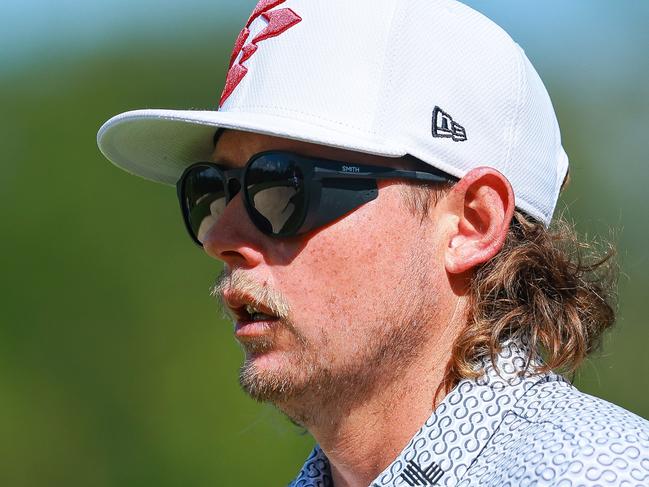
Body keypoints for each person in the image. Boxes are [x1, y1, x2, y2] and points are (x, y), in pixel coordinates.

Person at [97, 1, 649, 485]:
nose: (219, 235)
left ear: (471, 224)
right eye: (211, 190)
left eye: (281, 186)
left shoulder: (604, 473)